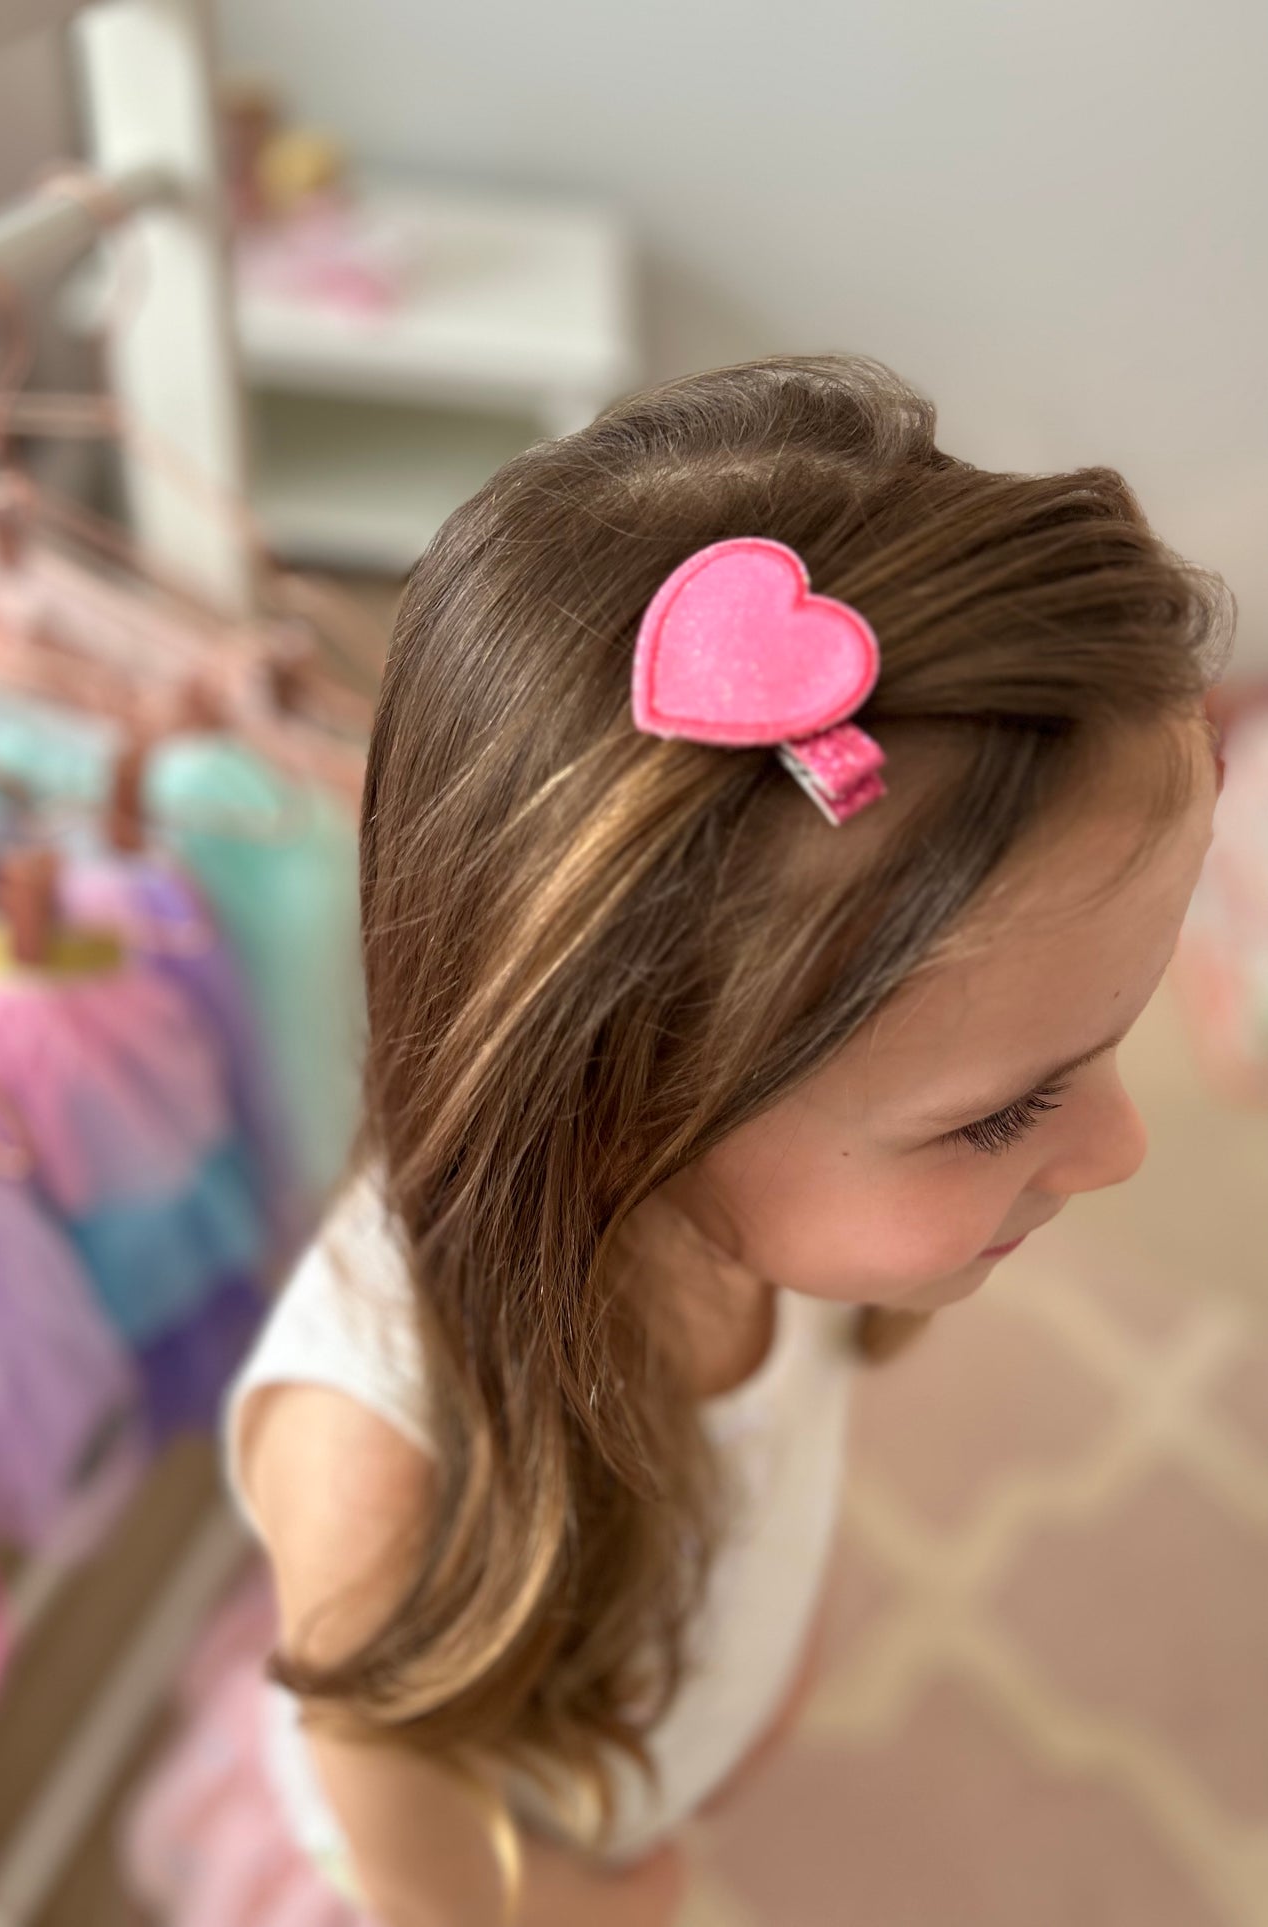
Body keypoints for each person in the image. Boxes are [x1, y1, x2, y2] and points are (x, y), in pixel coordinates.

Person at [226, 356, 1230, 1927]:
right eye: (1002, 1112)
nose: (1117, 1150)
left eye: (1104, 1047)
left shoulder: (756, 1220)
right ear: (621, 1099)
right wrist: (590, 1906)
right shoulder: (377, 1460)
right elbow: (413, 1855)